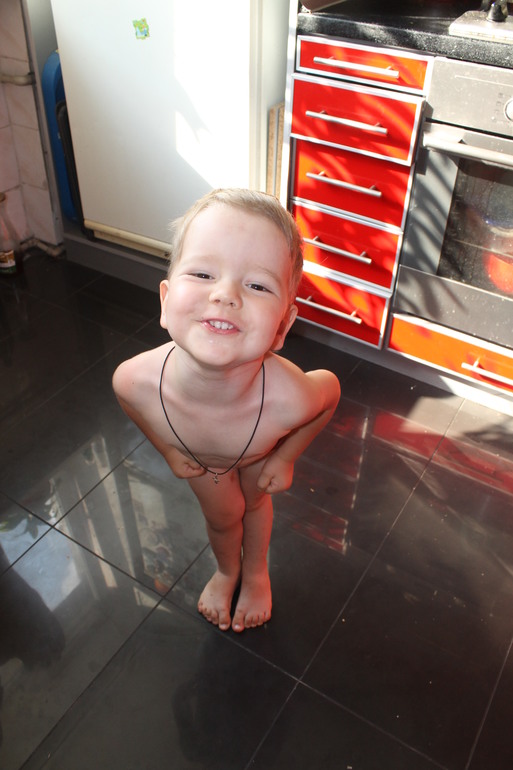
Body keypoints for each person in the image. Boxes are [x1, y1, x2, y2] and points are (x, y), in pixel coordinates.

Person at [112, 188, 340, 632]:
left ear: (282, 327)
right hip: (204, 462)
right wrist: (169, 449)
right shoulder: (134, 380)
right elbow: (130, 402)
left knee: (255, 504)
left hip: (257, 454)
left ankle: (255, 573)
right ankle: (226, 570)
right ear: (165, 301)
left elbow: (328, 392)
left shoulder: (290, 397)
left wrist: (285, 457)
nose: (225, 294)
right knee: (222, 519)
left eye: (257, 285)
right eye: (202, 273)